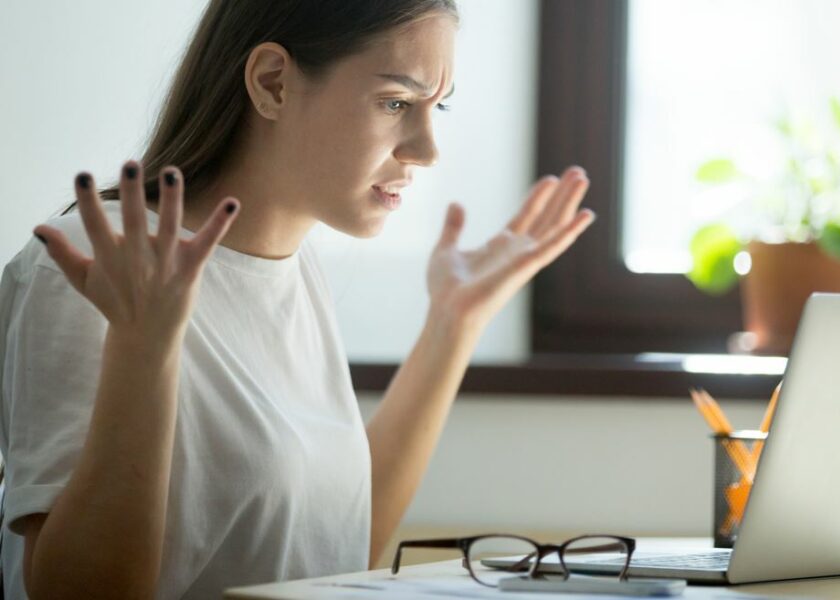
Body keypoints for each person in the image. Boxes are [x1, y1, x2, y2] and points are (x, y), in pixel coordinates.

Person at [0, 0, 594, 598]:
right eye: (395, 103)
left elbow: (334, 552)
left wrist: (454, 323)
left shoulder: (293, 265)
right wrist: (143, 348)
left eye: (436, 106)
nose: (426, 149)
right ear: (273, 84)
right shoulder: (98, 261)